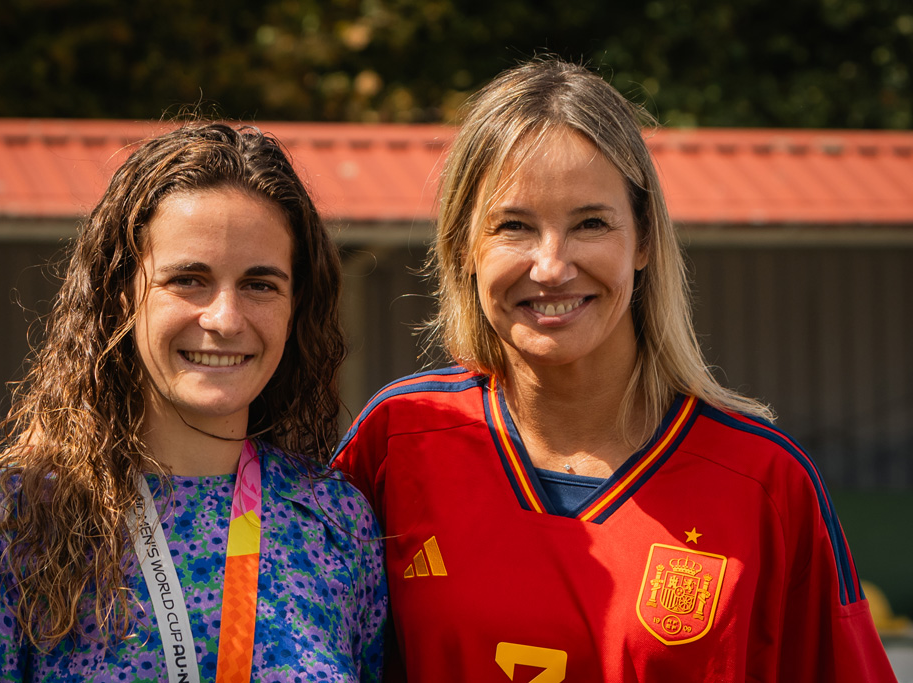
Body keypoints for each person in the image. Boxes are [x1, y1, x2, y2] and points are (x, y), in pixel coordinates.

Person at [332, 58, 897, 682]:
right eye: (514, 225)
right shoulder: (398, 438)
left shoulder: (767, 482)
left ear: (645, 239)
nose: (551, 266)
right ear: (464, 246)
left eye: (591, 223)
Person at [0, 122, 387, 681]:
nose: (226, 319)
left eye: (260, 284)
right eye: (188, 279)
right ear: (120, 295)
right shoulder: (6, 529)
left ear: (296, 306)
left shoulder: (334, 521)